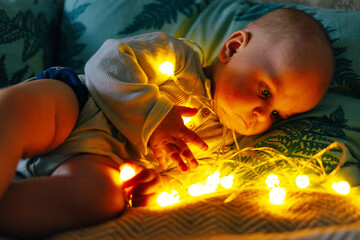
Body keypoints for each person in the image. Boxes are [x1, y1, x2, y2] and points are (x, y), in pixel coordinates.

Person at [0, 8, 334, 239]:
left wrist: (157, 183)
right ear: (233, 48)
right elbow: (106, 64)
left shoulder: (219, 148)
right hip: (79, 105)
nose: (263, 113)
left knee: (101, 199)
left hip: (98, 161)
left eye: (278, 115)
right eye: (265, 91)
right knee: (18, 111)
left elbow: (184, 183)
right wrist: (156, 117)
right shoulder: (178, 58)